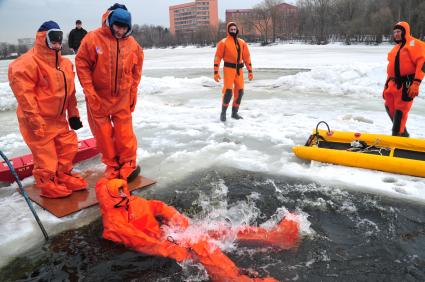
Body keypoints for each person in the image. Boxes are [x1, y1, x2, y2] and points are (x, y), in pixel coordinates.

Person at [96, 178, 299, 281]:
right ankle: (233, 279)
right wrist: (175, 250)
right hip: (162, 244)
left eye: (124, 189)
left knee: (217, 229)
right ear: (110, 197)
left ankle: (276, 237)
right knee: (200, 244)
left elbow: (157, 206)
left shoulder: (133, 201)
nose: (125, 193)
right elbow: (142, 242)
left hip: (167, 234)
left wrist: (177, 218)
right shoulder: (114, 224)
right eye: (119, 192)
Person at [8, 21, 87, 198]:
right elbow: (25, 96)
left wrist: (73, 114)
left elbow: (70, 93)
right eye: (53, 40)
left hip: (58, 119)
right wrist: (35, 121)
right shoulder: (25, 64)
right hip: (37, 120)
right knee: (46, 156)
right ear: (43, 39)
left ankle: (63, 175)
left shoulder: (66, 64)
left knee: (68, 147)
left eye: (59, 40)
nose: (57, 44)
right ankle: (47, 182)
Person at [76, 4, 144, 181]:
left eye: (124, 27)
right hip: (98, 97)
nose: (120, 31)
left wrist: (132, 92)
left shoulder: (133, 45)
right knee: (104, 135)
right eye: (117, 26)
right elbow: (82, 65)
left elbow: (137, 70)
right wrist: (90, 93)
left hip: (122, 97)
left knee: (125, 133)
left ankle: (128, 164)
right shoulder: (92, 39)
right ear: (110, 23)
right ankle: (112, 166)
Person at [383, 21, 425, 137]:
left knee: (400, 114)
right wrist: (386, 85)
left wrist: (416, 83)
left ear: (405, 32)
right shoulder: (396, 48)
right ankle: (404, 135)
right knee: (389, 107)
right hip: (392, 85)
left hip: (406, 85)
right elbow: (391, 68)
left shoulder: (415, 44)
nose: (396, 34)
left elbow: (422, 63)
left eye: (399, 31)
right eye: (394, 32)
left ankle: (397, 138)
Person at [214, 22, 253, 122]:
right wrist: (216, 71)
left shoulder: (242, 42)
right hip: (228, 70)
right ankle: (223, 113)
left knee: (240, 91)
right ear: (228, 30)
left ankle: (234, 113)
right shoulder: (223, 42)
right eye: (231, 30)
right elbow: (217, 57)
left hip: (239, 70)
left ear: (237, 30)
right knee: (228, 92)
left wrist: (250, 71)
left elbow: (247, 57)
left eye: (234, 29)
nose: (233, 31)